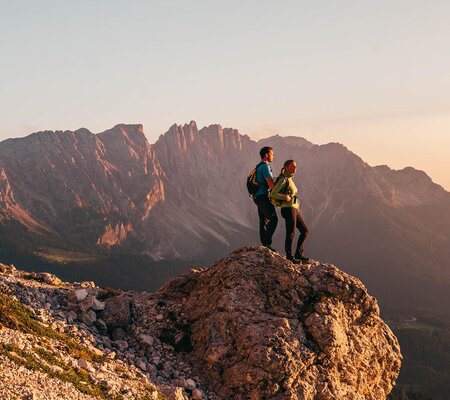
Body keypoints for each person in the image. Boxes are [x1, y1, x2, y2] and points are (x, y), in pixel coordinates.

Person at [271, 160, 309, 263]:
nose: (295, 168)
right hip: (288, 209)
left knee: (305, 231)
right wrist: (284, 197)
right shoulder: (284, 179)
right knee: (291, 233)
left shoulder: (290, 179)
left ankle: (299, 254)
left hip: (294, 208)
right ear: (286, 167)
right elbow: (273, 194)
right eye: (293, 166)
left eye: (295, 166)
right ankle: (289, 256)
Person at [254, 146, 278, 251]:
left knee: (263, 220)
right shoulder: (265, 167)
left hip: (258, 197)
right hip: (263, 196)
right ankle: (267, 244)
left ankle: (265, 244)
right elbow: (269, 182)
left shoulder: (259, 166)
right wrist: (277, 195)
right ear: (267, 155)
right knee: (273, 219)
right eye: (272, 154)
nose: (273, 156)